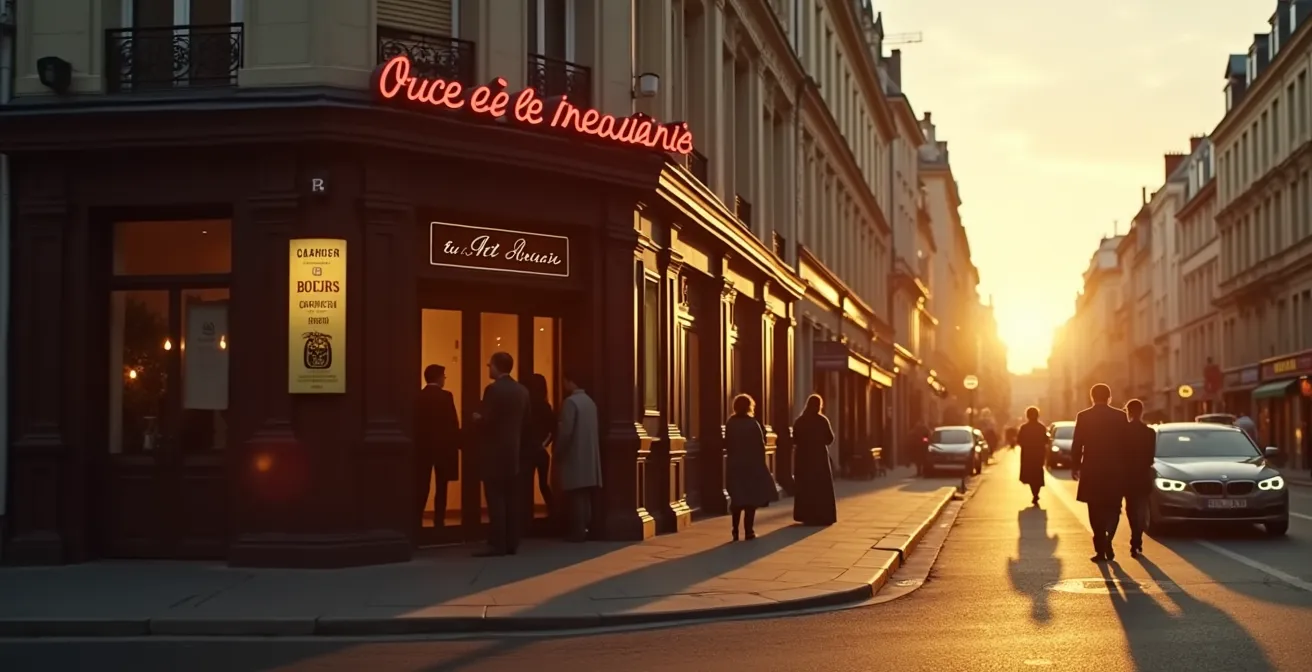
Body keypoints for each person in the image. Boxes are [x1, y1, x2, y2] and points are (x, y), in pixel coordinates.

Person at [471, 351, 528, 557]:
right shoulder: (522, 391)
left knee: (495, 500)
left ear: (496, 366)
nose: (488, 368)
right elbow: (526, 422)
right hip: (513, 452)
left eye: (489, 365)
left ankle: (498, 543)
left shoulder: (493, 390)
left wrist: (477, 418)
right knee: (512, 499)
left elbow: (487, 420)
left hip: (494, 452)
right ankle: (512, 542)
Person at [1070, 383, 1131, 562]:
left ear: (1092, 397)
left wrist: (1075, 466)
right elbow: (1127, 445)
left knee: (1094, 508)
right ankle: (1108, 540)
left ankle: (1100, 547)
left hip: (1092, 469)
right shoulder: (1120, 416)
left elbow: (1077, 444)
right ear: (1109, 397)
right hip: (1115, 469)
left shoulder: (1083, 416)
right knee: (1113, 507)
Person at [413, 364, 461, 537]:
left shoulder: (418, 396)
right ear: (439, 377)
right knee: (442, 486)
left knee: (421, 485)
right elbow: (452, 422)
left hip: (423, 448)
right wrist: (458, 442)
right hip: (443, 448)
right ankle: (439, 520)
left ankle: (416, 518)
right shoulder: (446, 396)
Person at [724, 394, 779, 541]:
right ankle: (749, 531)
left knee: (737, 499)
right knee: (750, 500)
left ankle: (735, 530)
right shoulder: (753, 424)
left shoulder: (730, 423)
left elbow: (727, 444)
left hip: (735, 465)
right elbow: (760, 446)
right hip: (751, 466)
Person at [555, 372, 602, 542]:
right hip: (588, 454)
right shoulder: (590, 402)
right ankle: (585, 528)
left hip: (575, 454)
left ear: (570, 382)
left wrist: (558, 451)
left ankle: (577, 531)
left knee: (575, 495)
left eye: (565, 381)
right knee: (584, 495)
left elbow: (566, 431)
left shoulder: (570, 403)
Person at [791, 394, 837, 526]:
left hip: (803, 458)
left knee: (805, 486)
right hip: (819, 458)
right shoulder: (822, 420)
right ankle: (822, 515)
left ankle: (806, 514)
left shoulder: (800, 421)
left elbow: (794, 439)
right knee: (820, 486)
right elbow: (830, 439)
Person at [521, 373, 556, 531]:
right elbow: (553, 429)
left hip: (527, 450)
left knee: (524, 483)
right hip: (540, 451)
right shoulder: (545, 406)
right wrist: (544, 444)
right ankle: (554, 513)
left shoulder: (527, 406)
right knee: (543, 484)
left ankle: (524, 517)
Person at [1123, 399, 1157, 558]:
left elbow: (1118, 454)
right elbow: (1151, 457)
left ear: (1128, 412)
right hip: (1143, 474)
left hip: (1128, 475)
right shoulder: (1150, 432)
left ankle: (1134, 537)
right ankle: (1137, 538)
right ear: (1142, 411)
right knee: (1142, 508)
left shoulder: (1122, 431)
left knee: (1130, 508)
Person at [1015, 406, 1048, 506]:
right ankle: (1036, 493)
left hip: (1028, 455)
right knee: (1037, 475)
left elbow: (1019, 441)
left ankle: (1034, 493)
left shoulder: (1024, 428)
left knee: (1030, 475)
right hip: (1038, 454)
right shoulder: (1041, 427)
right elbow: (1046, 441)